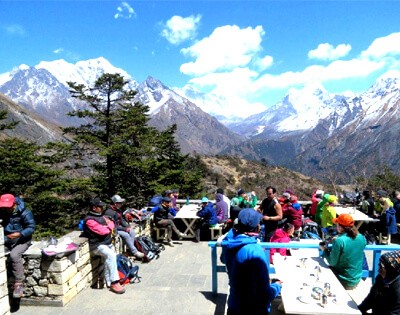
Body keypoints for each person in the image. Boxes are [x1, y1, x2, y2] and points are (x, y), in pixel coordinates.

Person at [220, 208, 282, 314]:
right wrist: (277, 286)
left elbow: (223, 259)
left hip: (235, 302)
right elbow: (264, 294)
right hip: (253, 308)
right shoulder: (255, 251)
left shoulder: (229, 242)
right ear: (256, 227)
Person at [83, 197, 125, 294]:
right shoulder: (89, 220)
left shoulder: (101, 216)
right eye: (100, 207)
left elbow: (112, 224)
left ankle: (109, 283)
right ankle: (115, 282)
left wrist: (108, 226)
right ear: (94, 208)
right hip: (97, 245)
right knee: (111, 255)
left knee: (108, 262)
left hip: (107, 243)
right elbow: (103, 231)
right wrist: (108, 226)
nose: (102, 208)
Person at [0, 193, 35, 298]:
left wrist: (20, 234)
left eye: (8, 207)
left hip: (22, 240)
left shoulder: (25, 213)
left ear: (14, 204)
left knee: (14, 255)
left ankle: (19, 283)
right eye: (3, 207)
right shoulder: (2, 212)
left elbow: (31, 227)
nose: (6, 209)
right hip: (7, 240)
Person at [319, 213, 367, 289]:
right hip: (356, 278)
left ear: (341, 227)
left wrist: (324, 250)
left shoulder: (339, 241)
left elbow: (332, 262)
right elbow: (354, 244)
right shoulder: (361, 237)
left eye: (337, 225)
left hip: (343, 279)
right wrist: (339, 237)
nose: (336, 226)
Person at [358, 250, 400, 315]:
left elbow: (395, 313)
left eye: (381, 266)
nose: (378, 269)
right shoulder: (381, 278)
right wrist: (360, 309)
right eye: (379, 264)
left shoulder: (397, 289)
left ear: (390, 269)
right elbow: (372, 297)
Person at [104, 195, 144, 260]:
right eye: (120, 203)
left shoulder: (118, 210)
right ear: (115, 203)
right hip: (114, 230)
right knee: (126, 235)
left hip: (120, 227)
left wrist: (127, 226)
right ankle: (135, 252)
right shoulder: (109, 212)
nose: (121, 204)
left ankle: (129, 249)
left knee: (132, 231)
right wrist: (124, 229)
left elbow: (121, 220)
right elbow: (113, 225)